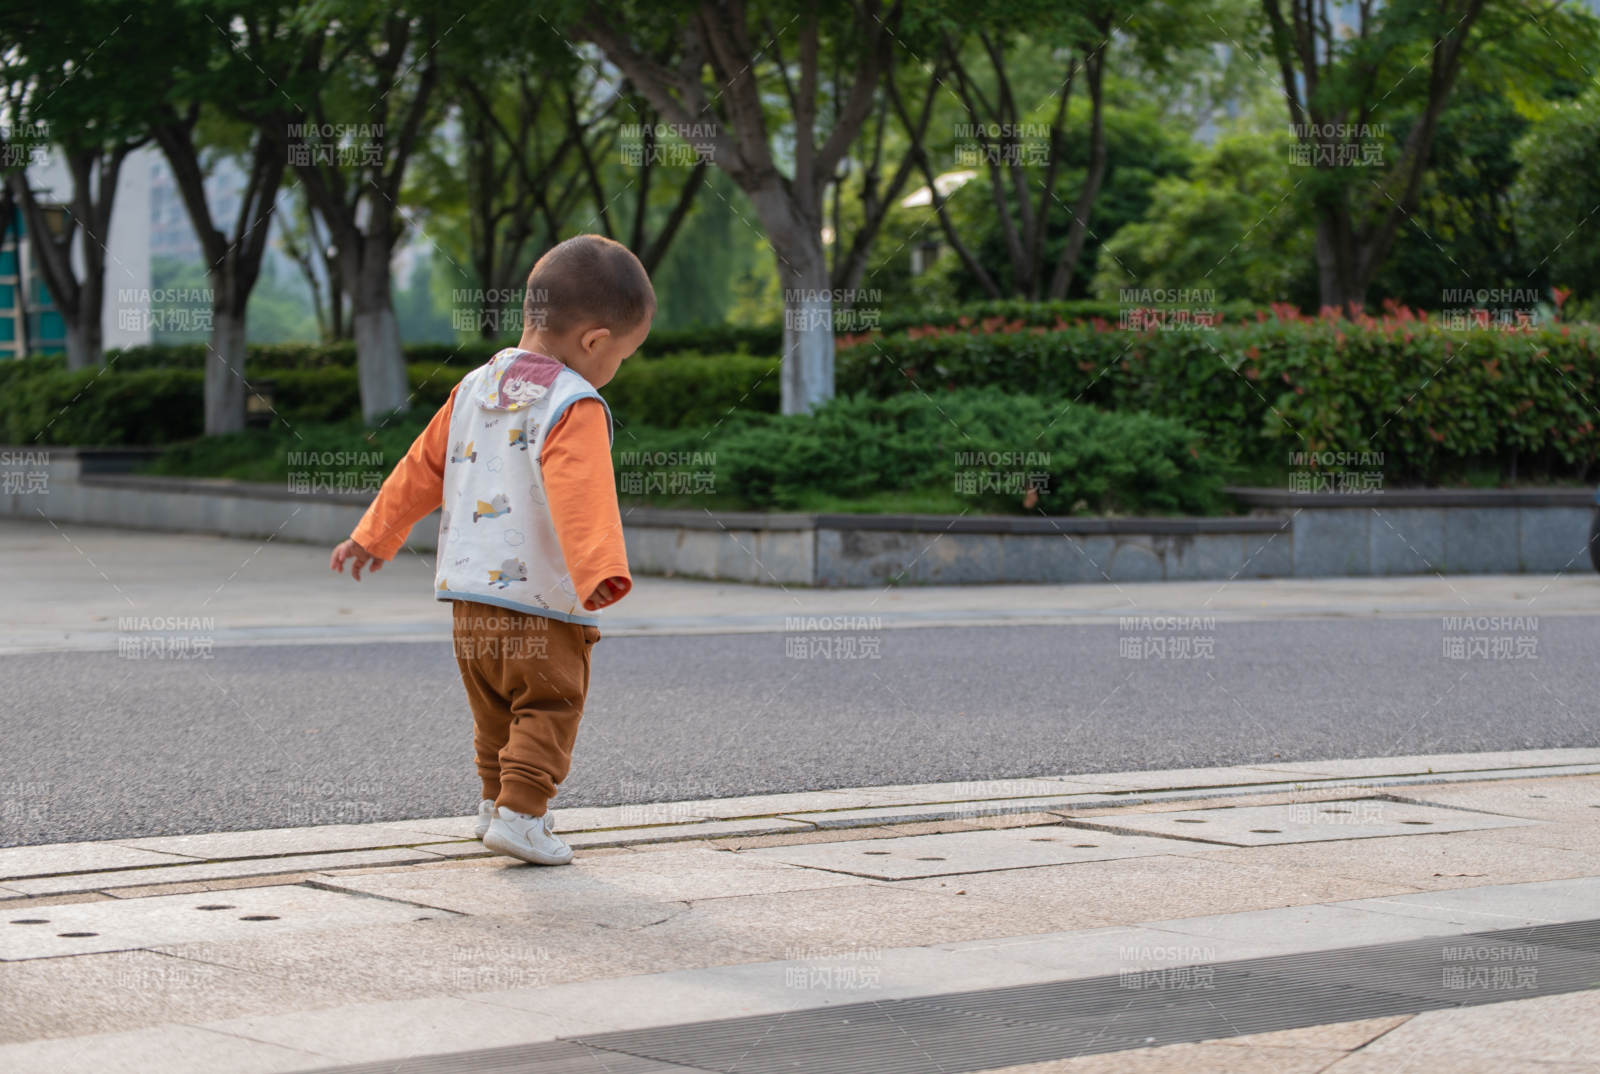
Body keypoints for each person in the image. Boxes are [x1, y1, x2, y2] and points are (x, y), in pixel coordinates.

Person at [330, 234, 652, 865]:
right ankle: (523, 816)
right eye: (623, 355)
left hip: (469, 601)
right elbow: (581, 492)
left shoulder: (475, 387)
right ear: (594, 341)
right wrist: (602, 571)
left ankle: (491, 805)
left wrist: (374, 534)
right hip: (542, 604)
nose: (617, 368)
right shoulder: (572, 402)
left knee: (494, 711)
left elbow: (421, 468)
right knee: (550, 703)